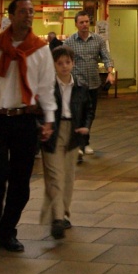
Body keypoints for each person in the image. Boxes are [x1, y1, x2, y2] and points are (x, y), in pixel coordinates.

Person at [0, 0, 55, 253]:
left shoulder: (40, 49)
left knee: (21, 181)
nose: (29, 15)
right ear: (11, 16)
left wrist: (49, 119)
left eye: (32, 11)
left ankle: (8, 231)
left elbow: (46, 86)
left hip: (24, 119)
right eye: (23, 11)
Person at [40, 46, 90, 240]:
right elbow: (39, 109)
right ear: (53, 65)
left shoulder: (80, 86)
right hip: (53, 130)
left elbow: (89, 109)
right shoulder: (47, 86)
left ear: (73, 63)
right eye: (60, 63)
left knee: (68, 175)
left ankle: (64, 213)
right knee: (55, 175)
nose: (64, 66)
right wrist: (42, 127)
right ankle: (57, 218)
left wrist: (85, 126)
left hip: (73, 131)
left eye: (67, 62)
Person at [62, 11, 114, 158]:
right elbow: (63, 60)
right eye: (81, 22)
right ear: (76, 24)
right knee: (78, 113)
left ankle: (85, 142)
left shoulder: (98, 40)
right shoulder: (69, 42)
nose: (85, 25)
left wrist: (110, 72)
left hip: (93, 83)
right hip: (77, 84)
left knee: (90, 114)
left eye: (86, 22)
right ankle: (79, 144)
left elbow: (106, 57)